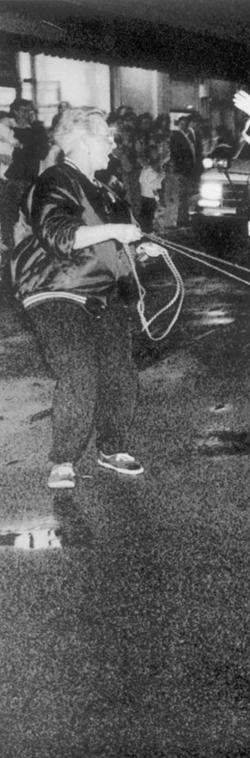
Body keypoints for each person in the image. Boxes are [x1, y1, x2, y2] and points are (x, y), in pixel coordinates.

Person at [8, 107, 166, 489]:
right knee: (79, 371)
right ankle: (62, 459)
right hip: (55, 290)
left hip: (101, 294)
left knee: (120, 374)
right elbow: (61, 236)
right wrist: (116, 230)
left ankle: (111, 447)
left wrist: (139, 251)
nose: (114, 145)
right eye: (106, 137)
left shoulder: (106, 187)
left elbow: (115, 245)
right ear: (81, 140)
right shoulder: (54, 180)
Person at [2, 99, 49, 252]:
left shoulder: (37, 131)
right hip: (10, 180)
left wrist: (21, 148)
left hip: (31, 180)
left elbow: (42, 152)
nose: (26, 114)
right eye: (23, 110)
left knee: (31, 218)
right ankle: (10, 250)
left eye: (29, 111)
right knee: (9, 217)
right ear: (14, 111)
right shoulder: (7, 129)